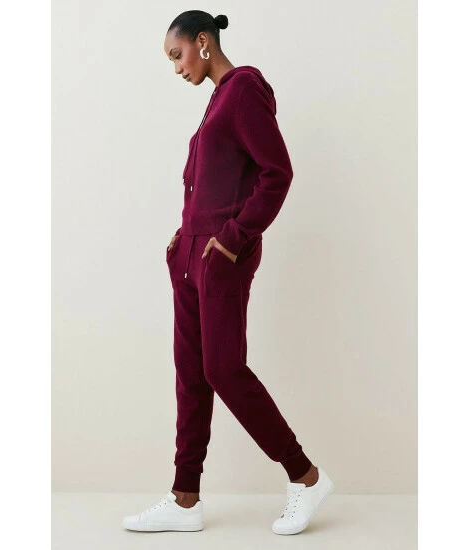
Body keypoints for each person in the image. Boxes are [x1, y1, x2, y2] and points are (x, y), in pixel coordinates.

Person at [123, 10, 334, 535]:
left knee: (223, 370)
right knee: (191, 375)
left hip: (222, 258)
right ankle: (184, 498)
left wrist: (234, 238)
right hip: (189, 259)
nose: (177, 68)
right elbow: (210, 183)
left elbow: (277, 172)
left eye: (178, 55)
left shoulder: (243, 90)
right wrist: (183, 238)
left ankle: (305, 476)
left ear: (203, 41)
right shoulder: (215, 103)